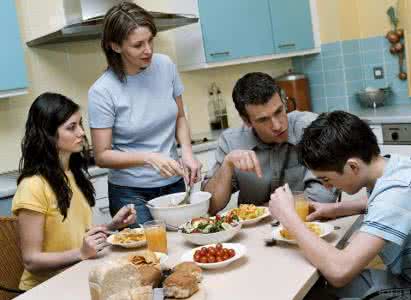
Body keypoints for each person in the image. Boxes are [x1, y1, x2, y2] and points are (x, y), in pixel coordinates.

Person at [269, 110, 411, 299]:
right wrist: (336, 209)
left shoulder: (396, 193)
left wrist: (290, 219)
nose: (327, 188)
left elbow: (340, 271)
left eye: (326, 179)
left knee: (320, 288)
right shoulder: (395, 168)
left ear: (352, 166)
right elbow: (387, 204)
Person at [88, 2, 201, 225]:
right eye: (138, 45)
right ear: (116, 46)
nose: (148, 49)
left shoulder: (166, 66)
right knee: (148, 257)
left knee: (184, 245)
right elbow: (102, 156)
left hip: (174, 183)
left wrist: (187, 151)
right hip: (130, 193)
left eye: (150, 40)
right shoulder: (102, 91)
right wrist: (148, 157)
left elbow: (179, 116)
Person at [12, 92, 136, 291]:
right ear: (48, 133)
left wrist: (111, 226)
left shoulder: (73, 174)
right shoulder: (32, 185)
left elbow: (74, 237)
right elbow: (31, 260)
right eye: (71, 127)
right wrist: (80, 253)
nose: (81, 133)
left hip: (77, 276)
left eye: (80, 124)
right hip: (44, 290)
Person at [203, 72, 337, 215]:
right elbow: (210, 206)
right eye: (263, 119)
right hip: (254, 234)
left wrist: (262, 211)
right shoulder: (231, 142)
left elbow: (324, 197)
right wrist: (227, 165)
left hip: (308, 225)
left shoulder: (311, 128)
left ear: (284, 102)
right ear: (247, 121)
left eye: (279, 111)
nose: (277, 125)